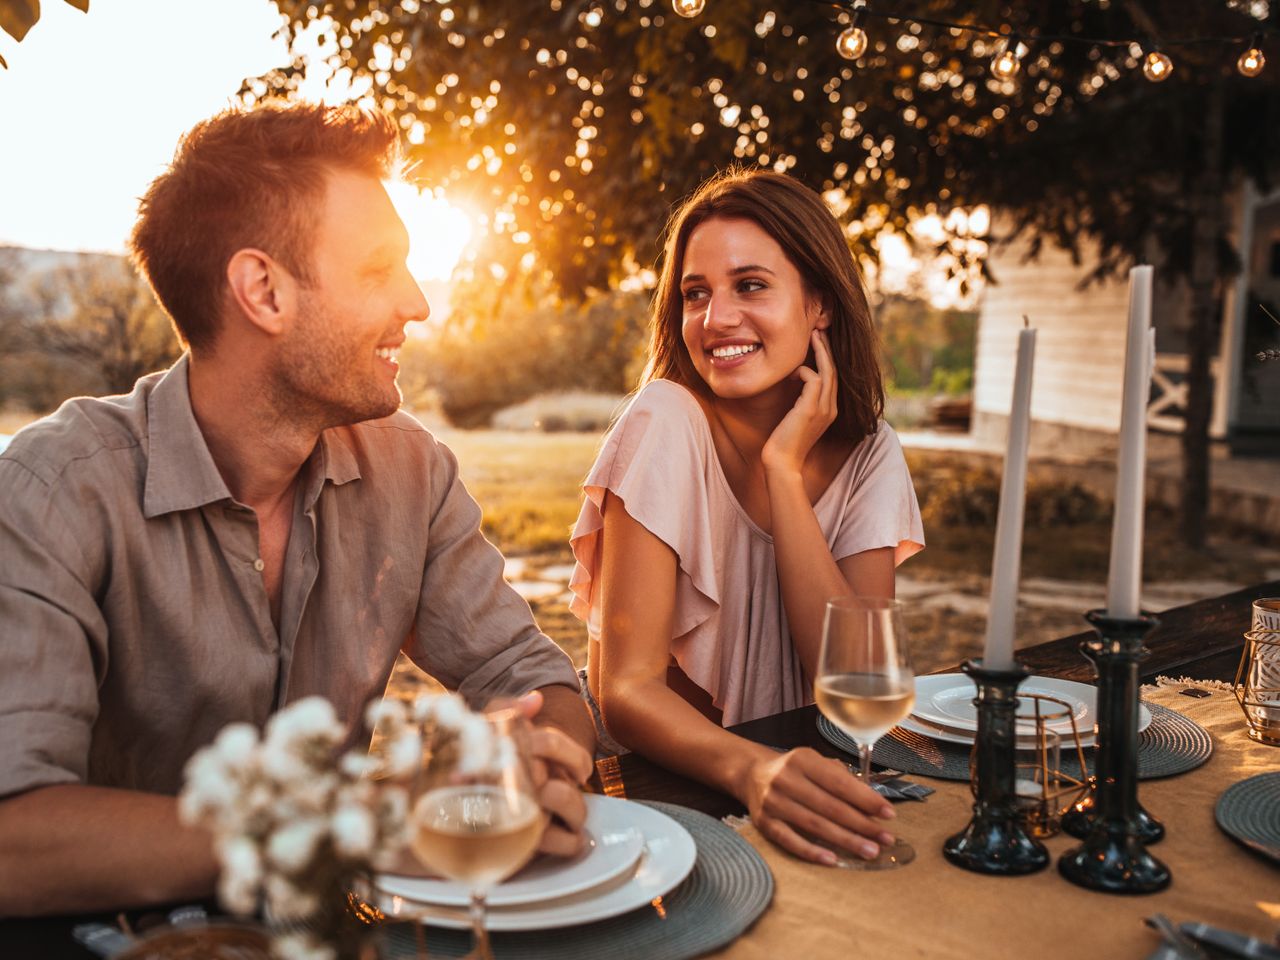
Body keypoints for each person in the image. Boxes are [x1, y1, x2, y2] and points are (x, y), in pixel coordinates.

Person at [0, 103, 595, 916]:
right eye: (380, 268)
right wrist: (358, 825)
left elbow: (535, 679)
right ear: (264, 291)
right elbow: (14, 841)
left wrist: (534, 763)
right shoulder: (56, 487)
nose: (417, 303)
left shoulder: (409, 469)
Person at [569, 169, 924, 866]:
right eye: (695, 294)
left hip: (802, 779)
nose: (715, 318)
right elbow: (627, 693)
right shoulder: (664, 419)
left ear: (819, 303)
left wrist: (784, 474)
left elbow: (847, 679)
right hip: (667, 801)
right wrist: (754, 771)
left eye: (750, 286)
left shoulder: (871, 453)